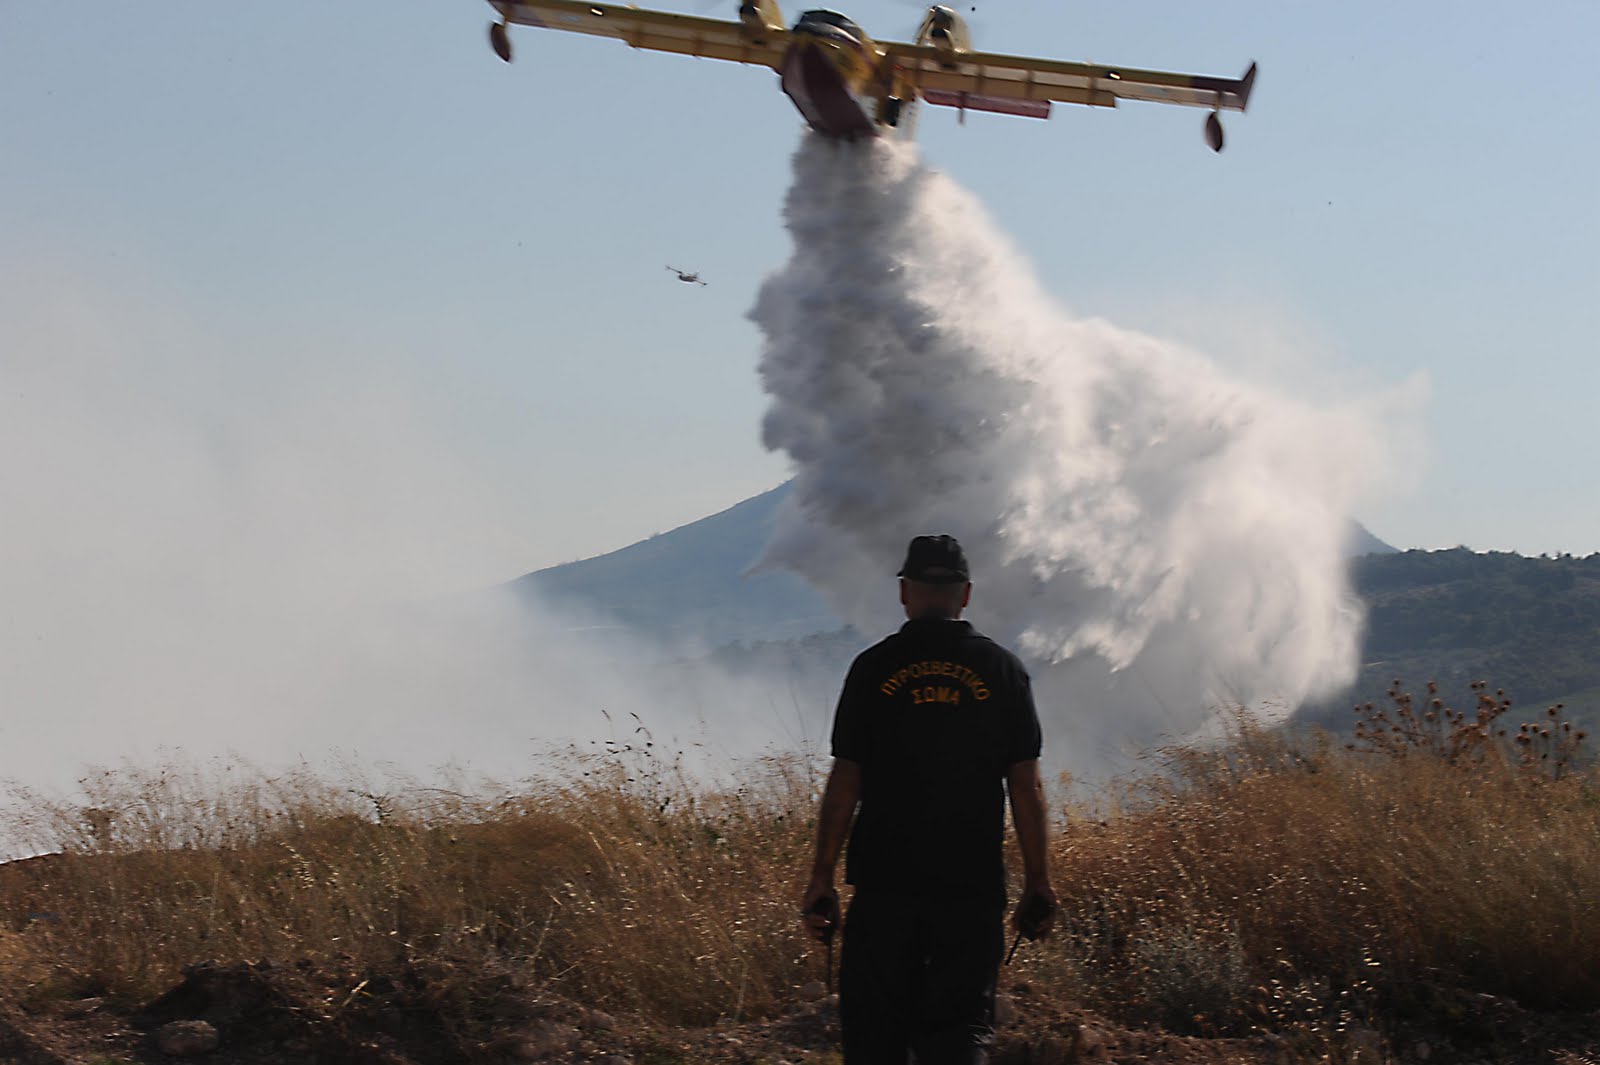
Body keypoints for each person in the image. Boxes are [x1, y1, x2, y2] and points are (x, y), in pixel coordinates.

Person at [800, 534, 1057, 1064]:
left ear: (904, 593)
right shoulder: (1003, 671)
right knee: (959, 1030)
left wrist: (821, 876)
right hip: (970, 887)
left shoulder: (872, 669)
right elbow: (1025, 787)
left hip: (885, 885)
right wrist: (1038, 881)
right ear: (965, 595)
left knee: (875, 1035)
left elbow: (845, 783)